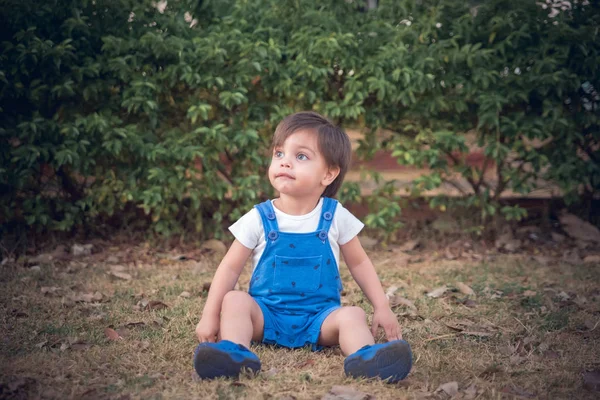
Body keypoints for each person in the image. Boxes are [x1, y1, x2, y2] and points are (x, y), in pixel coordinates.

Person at [193, 111, 412, 382]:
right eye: (279, 154)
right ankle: (233, 352)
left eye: (301, 156)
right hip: (265, 315)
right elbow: (228, 268)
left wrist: (382, 306)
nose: (285, 162)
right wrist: (210, 316)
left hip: (320, 320)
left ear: (329, 174)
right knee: (235, 300)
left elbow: (360, 263)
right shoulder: (258, 218)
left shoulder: (336, 216)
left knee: (353, 314)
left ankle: (367, 358)